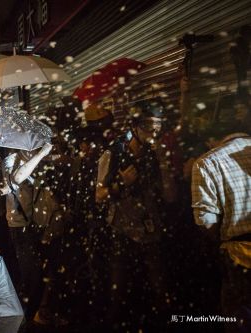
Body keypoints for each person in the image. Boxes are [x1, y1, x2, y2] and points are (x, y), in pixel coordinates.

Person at [95, 98, 175, 331]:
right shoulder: (113, 154)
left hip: (151, 230)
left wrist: (163, 162)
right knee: (120, 289)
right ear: (134, 126)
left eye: (158, 127)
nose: (154, 133)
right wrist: (121, 182)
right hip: (122, 230)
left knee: (160, 288)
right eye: (149, 126)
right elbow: (98, 196)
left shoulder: (154, 154)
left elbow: (170, 196)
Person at [191, 123, 251, 333]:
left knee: (239, 318)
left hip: (239, 258)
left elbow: (206, 222)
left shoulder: (207, 162)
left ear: (211, 140)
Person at [2, 142, 53, 323]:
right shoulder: (11, 159)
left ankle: (30, 313)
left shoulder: (30, 158)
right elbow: (17, 178)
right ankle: (21, 317)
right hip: (19, 225)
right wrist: (40, 155)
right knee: (28, 272)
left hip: (34, 224)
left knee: (36, 271)